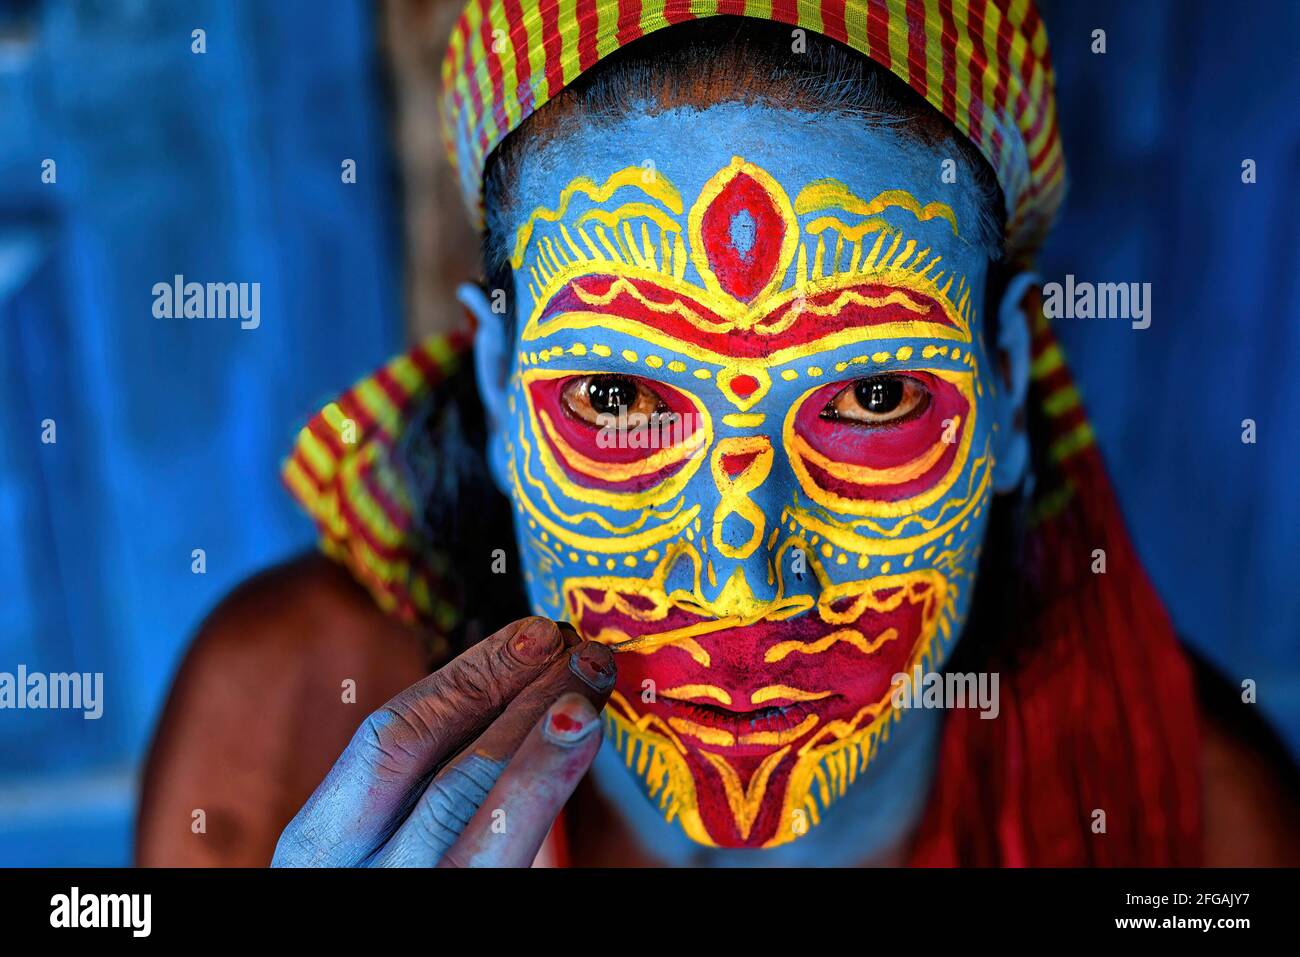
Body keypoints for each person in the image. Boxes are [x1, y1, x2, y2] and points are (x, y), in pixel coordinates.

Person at [137, 1, 1300, 867]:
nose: (743, 570)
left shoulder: (1193, 825)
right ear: (499, 382)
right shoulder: (284, 725)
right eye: (614, 397)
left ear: (1003, 378)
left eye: (876, 397)